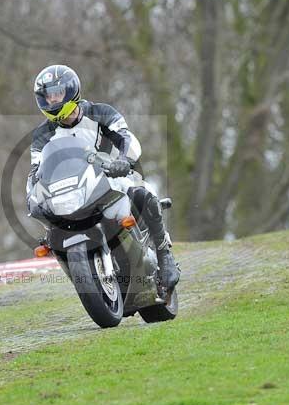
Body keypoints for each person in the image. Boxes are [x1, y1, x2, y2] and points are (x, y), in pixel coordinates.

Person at [26, 64, 180, 290]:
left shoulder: (101, 113)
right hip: (72, 189)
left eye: (57, 93)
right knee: (52, 230)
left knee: (142, 191)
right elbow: (36, 170)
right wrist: (32, 194)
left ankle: (164, 255)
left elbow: (127, 138)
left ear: (71, 91)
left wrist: (125, 161)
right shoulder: (41, 135)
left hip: (110, 175)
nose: (53, 101)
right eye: (47, 97)